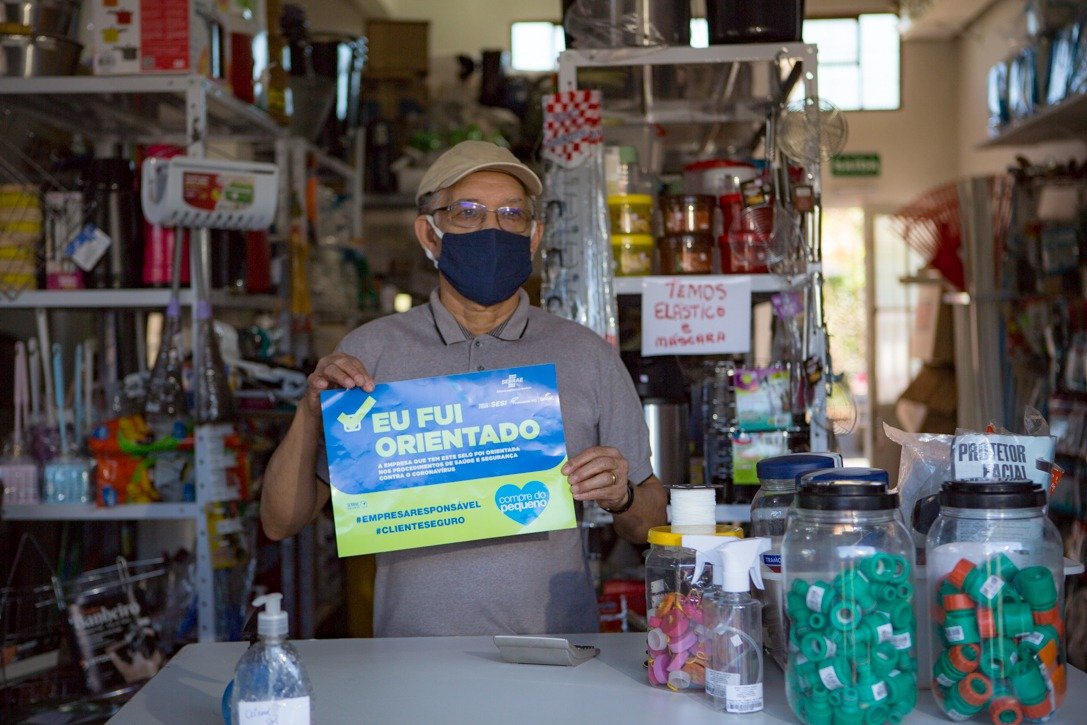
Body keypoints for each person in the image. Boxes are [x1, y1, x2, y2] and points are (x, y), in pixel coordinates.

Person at [260, 140, 668, 636]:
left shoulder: (587, 355)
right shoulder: (369, 353)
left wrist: (621, 494)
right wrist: (309, 410)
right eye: (467, 213)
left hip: (554, 655)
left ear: (534, 235)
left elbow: (650, 522)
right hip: (413, 660)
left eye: (512, 214)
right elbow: (280, 522)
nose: (492, 229)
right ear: (430, 235)